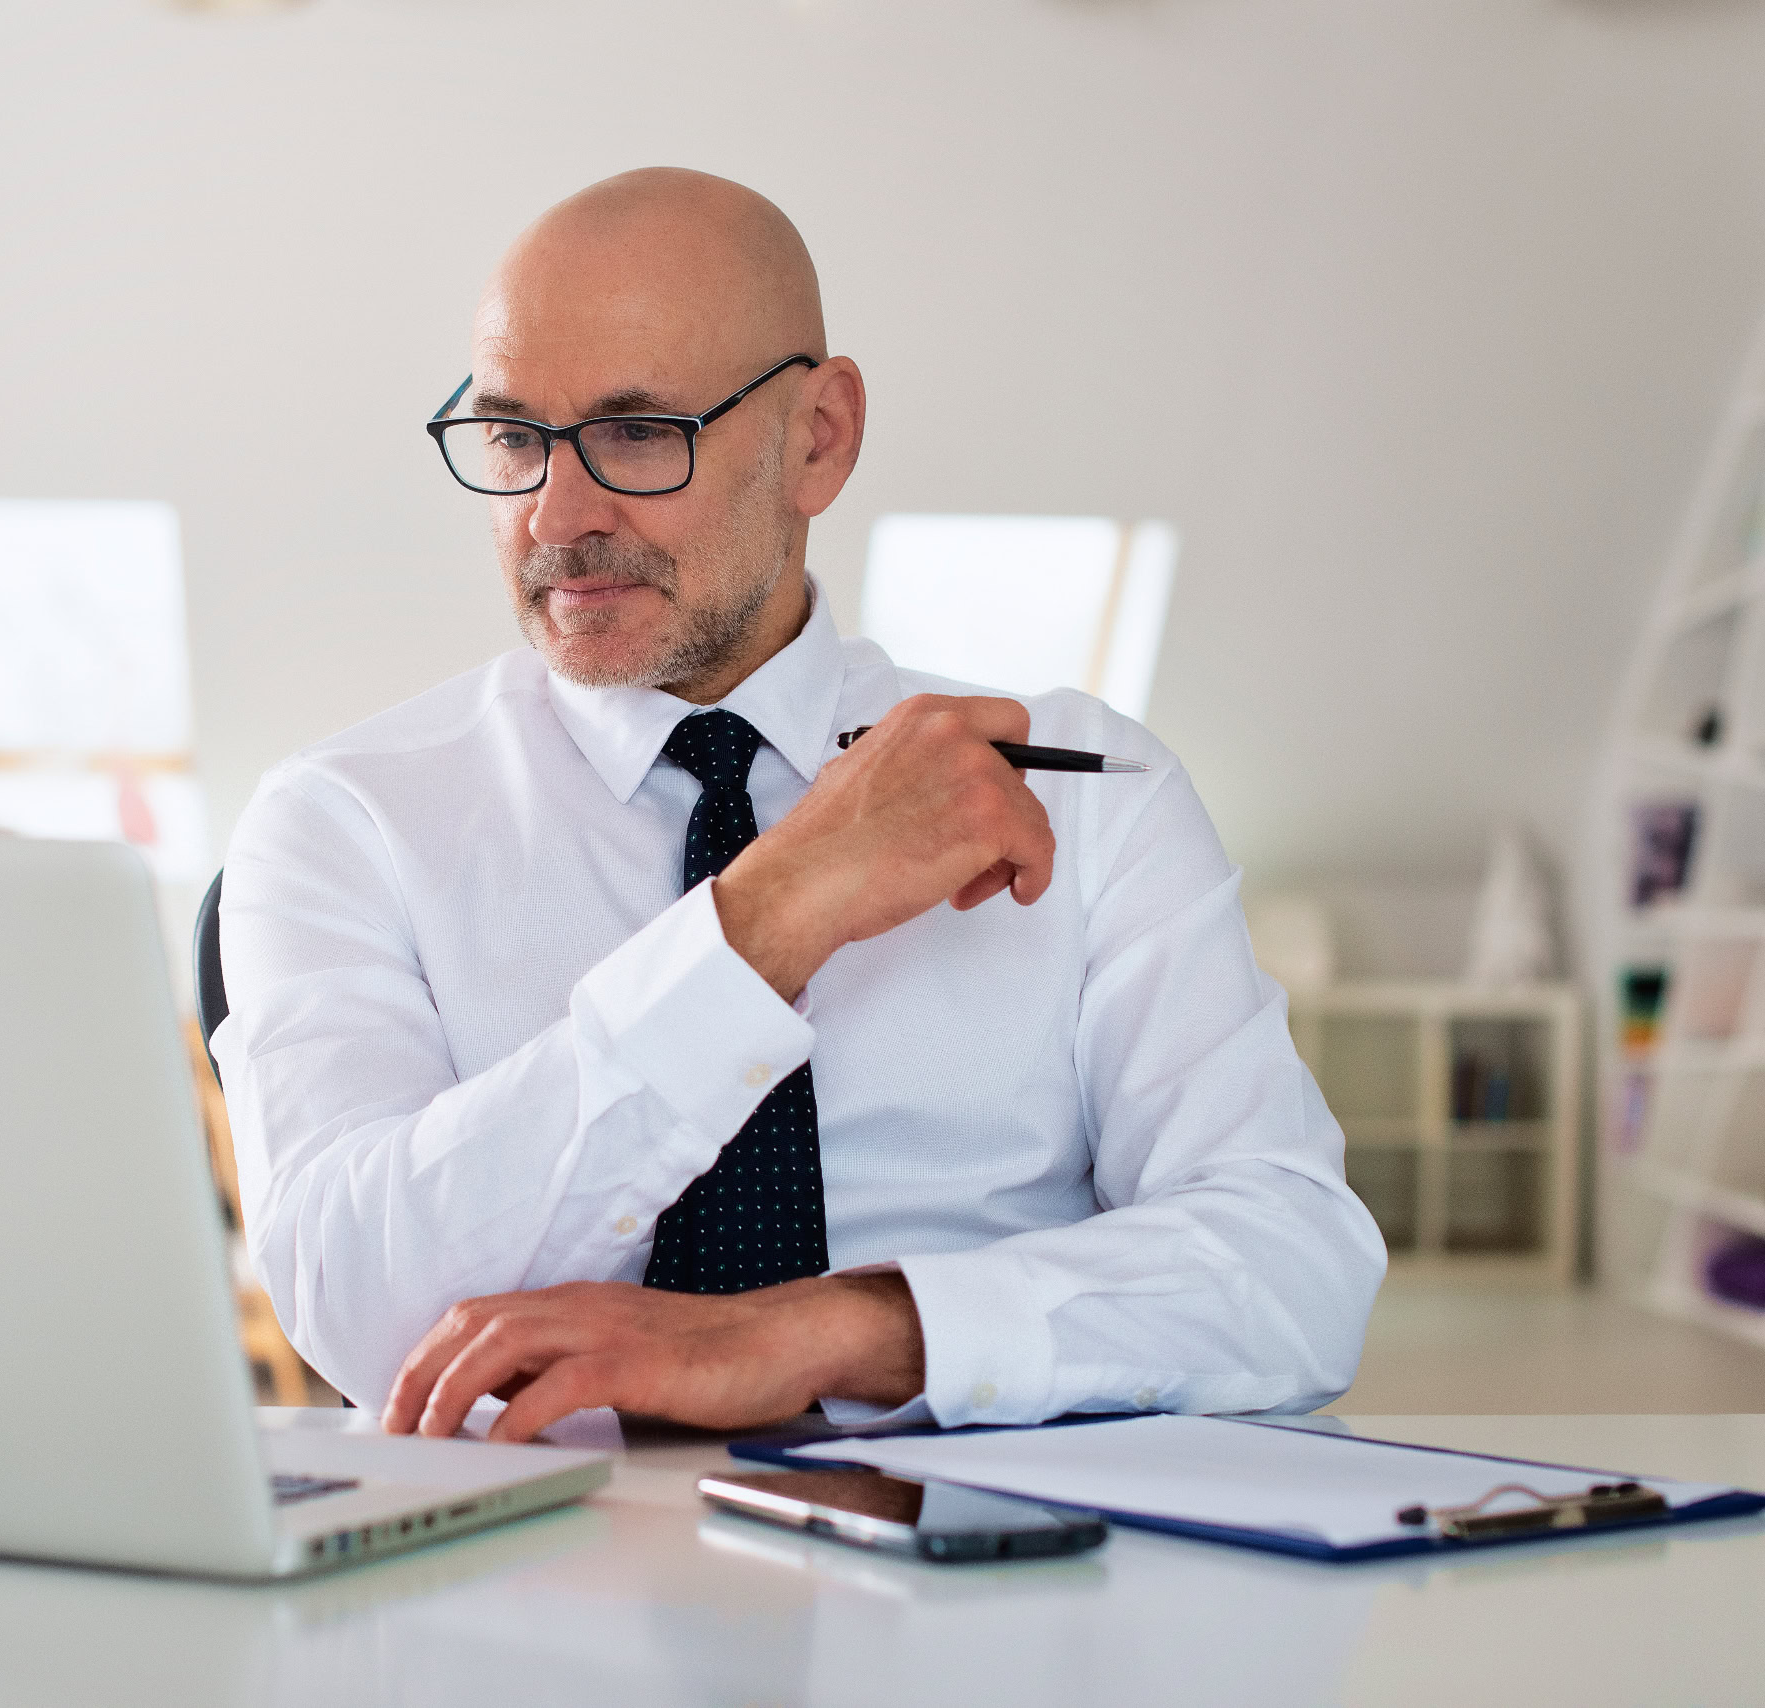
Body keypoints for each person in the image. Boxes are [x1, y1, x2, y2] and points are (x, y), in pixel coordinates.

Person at [214, 168, 1384, 1443]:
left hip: (991, 1582)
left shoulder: (1089, 789)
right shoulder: (341, 819)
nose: (556, 515)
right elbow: (354, 1308)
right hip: (534, 1571)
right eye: (510, 436)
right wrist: (772, 911)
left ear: (818, 437)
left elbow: (1294, 1271)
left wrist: (834, 1333)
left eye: (638, 432)